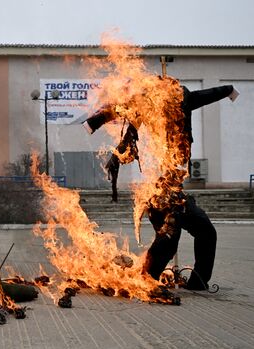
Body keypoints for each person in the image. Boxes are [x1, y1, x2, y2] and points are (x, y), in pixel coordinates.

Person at [83, 79, 237, 290]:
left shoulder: (184, 99)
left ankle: (197, 282)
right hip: (157, 192)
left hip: (176, 190)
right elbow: (122, 116)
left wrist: (229, 90)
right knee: (169, 238)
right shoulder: (149, 104)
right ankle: (147, 280)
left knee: (205, 231)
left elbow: (211, 93)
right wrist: (95, 124)